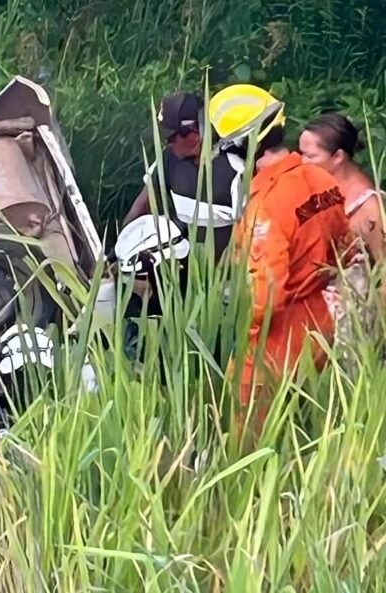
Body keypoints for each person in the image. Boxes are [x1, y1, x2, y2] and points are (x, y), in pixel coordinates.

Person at [209, 84, 353, 439]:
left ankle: (248, 488)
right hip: (323, 318)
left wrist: (246, 336)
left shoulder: (266, 203)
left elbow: (265, 291)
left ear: (242, 145)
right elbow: (345, 248)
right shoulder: (319, 177)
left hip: (278, 333)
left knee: (245, 433)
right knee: (304, 423)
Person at [122, 91, 244, 262]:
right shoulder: (169, 159)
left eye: (171, 138)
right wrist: (118, 250)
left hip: (228, 274)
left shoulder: (234, 167)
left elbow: (250, 232)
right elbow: (143, 204)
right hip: (181, 268)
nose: (167, 144)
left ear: (194, 131)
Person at [300, 113, 385, 262]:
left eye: (311, 156)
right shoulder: (313, 184)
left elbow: (383, 264)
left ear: (338, 156)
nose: (302, 162)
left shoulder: (368, 207)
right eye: (302, 153)